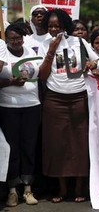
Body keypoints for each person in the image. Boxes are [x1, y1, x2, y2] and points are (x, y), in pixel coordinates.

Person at [38, 8, 98, 203]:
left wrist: (91, 65)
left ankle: (79, 188)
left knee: (80, 144)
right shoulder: (44, 44)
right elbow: (42, 75)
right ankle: (62, 189)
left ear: (65, 25)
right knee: (58, 145)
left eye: (57, 26)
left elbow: (95, 62)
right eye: (50, 26)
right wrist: (50, 51)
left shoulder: (79, 41)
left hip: (79, 97)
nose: (54, 30)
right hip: (55, 99)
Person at [0, 23, 41, 207]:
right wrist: (10, 82)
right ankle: (12, 190)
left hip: (32, 106)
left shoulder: (31, 52)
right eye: (12, 38)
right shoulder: (2, 55)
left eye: (19, 38)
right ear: (6, 39)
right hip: (8, 107)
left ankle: (27, 189)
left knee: (29, 147)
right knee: (12, 149)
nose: (16, 41)